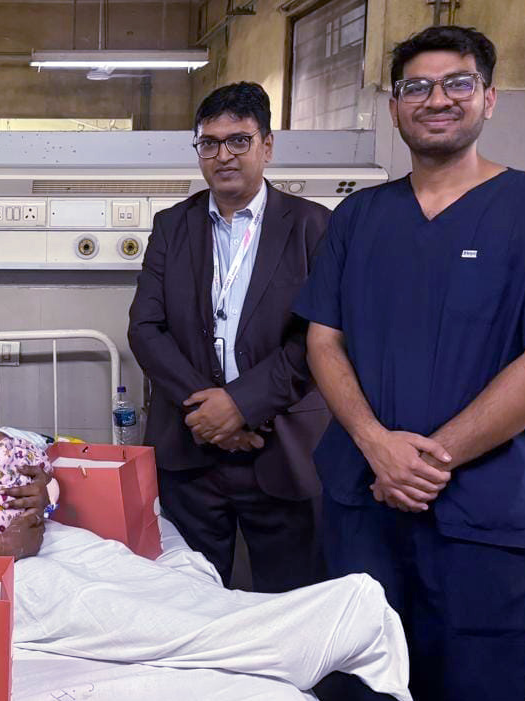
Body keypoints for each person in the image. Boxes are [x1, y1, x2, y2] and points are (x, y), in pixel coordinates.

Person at [0, 223, 414, 699]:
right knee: (74, 598)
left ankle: (281, 617)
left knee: (110, 562)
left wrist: (30, 491)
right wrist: (0, 551)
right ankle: (306, 632)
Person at [295, 25, 525, 700]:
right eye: (415, 87)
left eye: (457, 82)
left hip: (480, 511)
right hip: (363, 502)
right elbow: (322, 340)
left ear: (489, 98)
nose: (435, 100)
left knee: (475, 678)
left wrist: (427, 460)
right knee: (360, 676)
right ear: (395, 106)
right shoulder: (359, 218)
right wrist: (375, 446)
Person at [128, 82, 331, 593]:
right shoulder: (172, 226)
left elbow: (315, 339)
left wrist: (240, 405)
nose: (223, 155)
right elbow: (145, 328)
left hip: (281, 446)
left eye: (238, 140)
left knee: (290, 602)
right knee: (191, 599)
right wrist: (209, 413)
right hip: (190, 450)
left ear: (267, 146)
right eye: (209, 143)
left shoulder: (313, 228)